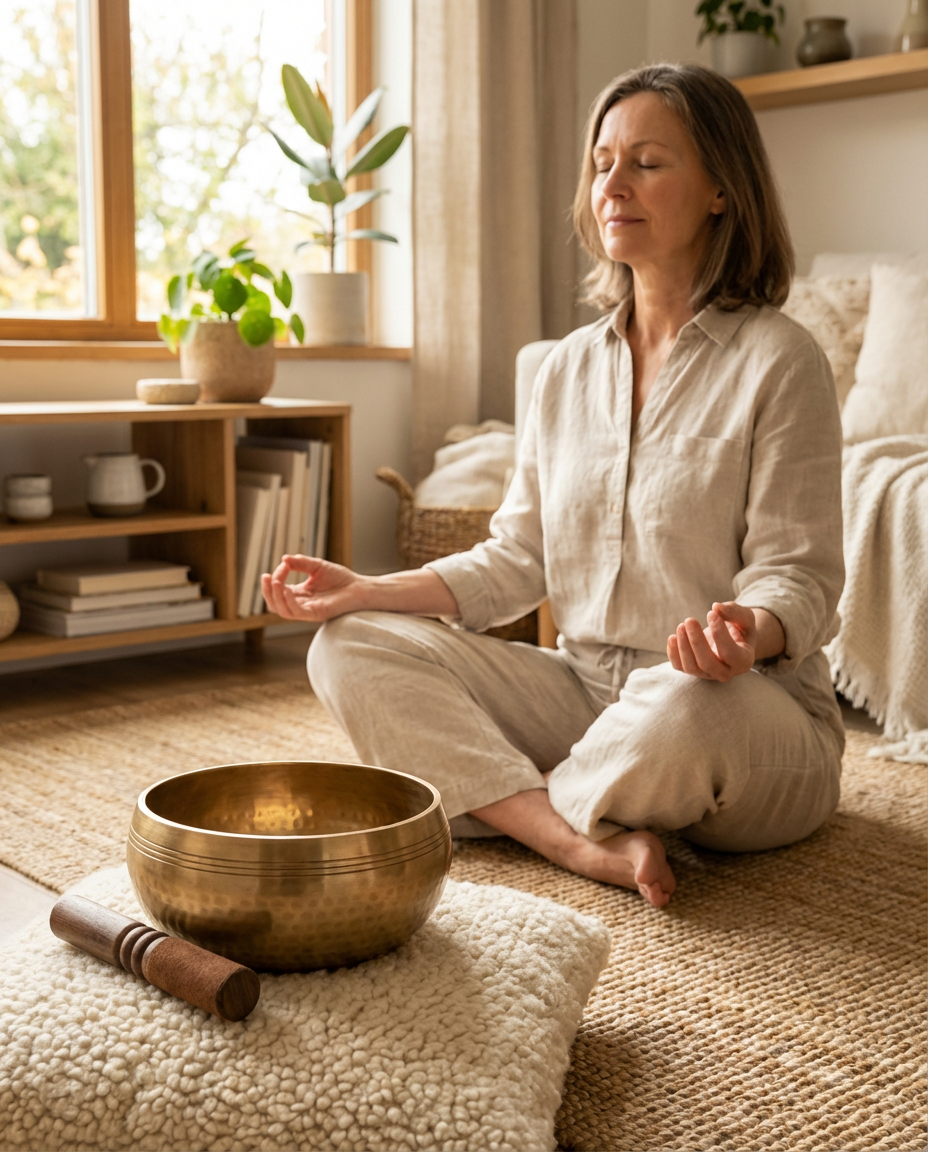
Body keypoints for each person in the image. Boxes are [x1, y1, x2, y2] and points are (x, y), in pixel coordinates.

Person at [262, 63, 845, 909]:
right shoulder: (562, 369)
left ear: (722, 188)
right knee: (350, 644)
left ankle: (494, 797)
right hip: (582, 693)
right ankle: (571, 837)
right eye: (602, 162)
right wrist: (365, 589)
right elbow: (517, 557)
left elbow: (802, 577)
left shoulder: (781, 360)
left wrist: (746, 635)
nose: (613, 184)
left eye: (647, 162)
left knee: (686, 704)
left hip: (732, 710)